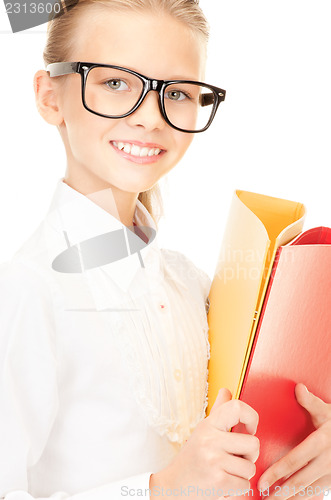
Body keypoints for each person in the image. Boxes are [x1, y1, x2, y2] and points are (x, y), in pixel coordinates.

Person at [0, 1, 330, 500]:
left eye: (176, 92)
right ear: (49, 96)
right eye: (115, 83)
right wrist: (162, 489)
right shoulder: (27, 293)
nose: (151, 118)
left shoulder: (194, 285)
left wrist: (304, 456)